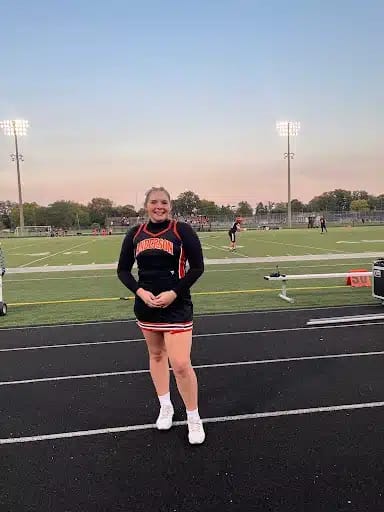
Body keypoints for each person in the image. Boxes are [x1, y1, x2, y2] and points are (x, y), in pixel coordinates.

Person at [117, 186, 206, 444]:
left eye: (164, 202)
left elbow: (197, 267)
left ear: (170, 205)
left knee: (180, 363)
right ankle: (165, 406)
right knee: (156, 355)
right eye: (154, 202)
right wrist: (140, 291)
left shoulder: (182, 230)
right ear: (146, 205)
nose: (159, 206)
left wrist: (174, 293)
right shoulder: (135, 233)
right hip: (146, 306)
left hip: (176, 306)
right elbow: (123, 271)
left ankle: (193, 417)